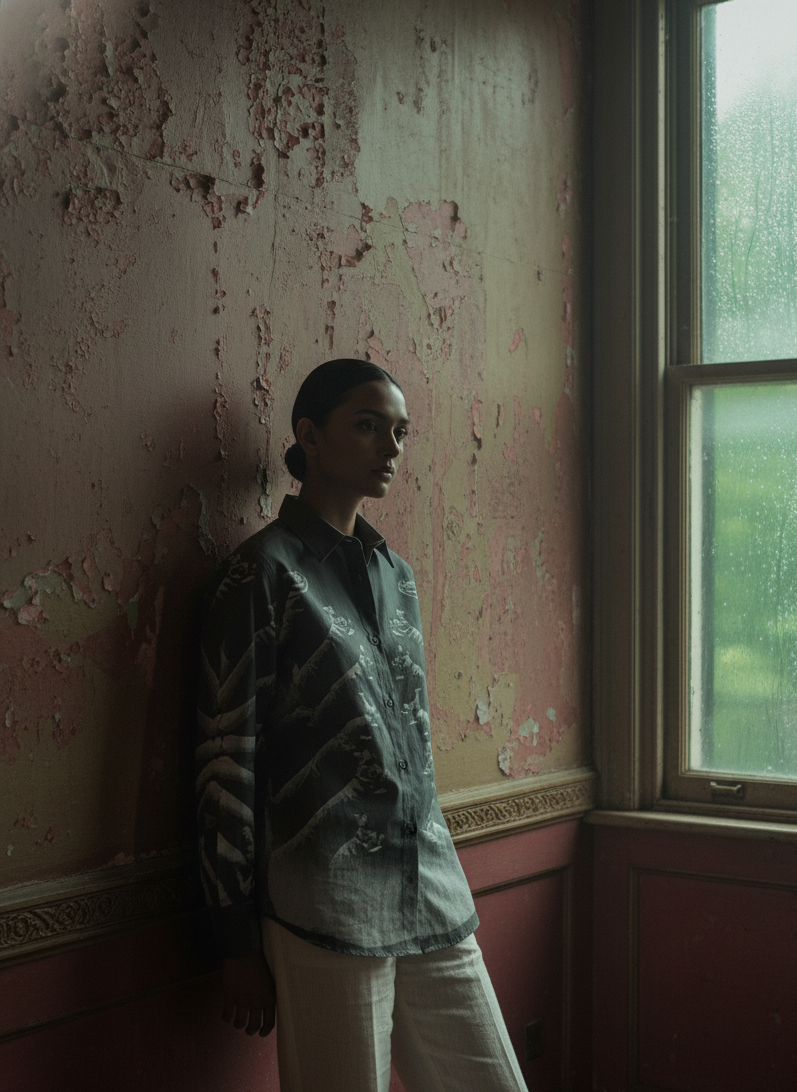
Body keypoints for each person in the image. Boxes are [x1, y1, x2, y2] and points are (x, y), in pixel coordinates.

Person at [196, 358, 528, 1092]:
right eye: (368, 425)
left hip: (430, 885)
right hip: (325, 900)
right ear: (309, 437)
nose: (391, 446)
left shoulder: (395, 575)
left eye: (401, 431)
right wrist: (234, 944)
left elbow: (412, 741)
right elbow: (227, 759)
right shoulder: (261, 575)